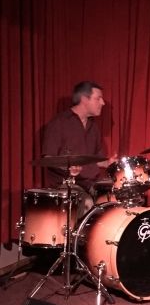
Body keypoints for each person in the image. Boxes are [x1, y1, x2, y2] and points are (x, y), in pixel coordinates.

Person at [41, 81, 117, 219]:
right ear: (84, 99)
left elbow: (95, 160)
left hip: (91, 184)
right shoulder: (59, 123)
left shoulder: (93, 127)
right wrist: (67, 168)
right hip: (67, 185)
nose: (102, 103)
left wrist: (108, 163)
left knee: (115, 200)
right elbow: (47, 159)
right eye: (98, 98)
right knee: (86, 203)